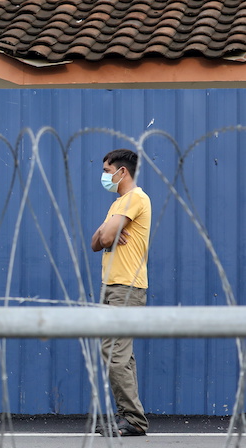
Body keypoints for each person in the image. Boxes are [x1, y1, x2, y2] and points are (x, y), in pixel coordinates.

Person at [90, 148, 151, 437]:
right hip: (111, 285)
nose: (104, 176)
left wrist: (107, 233)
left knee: (115, 352)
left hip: (126, 286)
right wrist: (108, 230)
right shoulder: (118, 204)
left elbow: (104, 237)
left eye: (106, 170)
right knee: (118, 354)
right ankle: (127, 414)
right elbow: (95, 241)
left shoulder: (136, 198)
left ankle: (134, 419)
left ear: (121, 171)